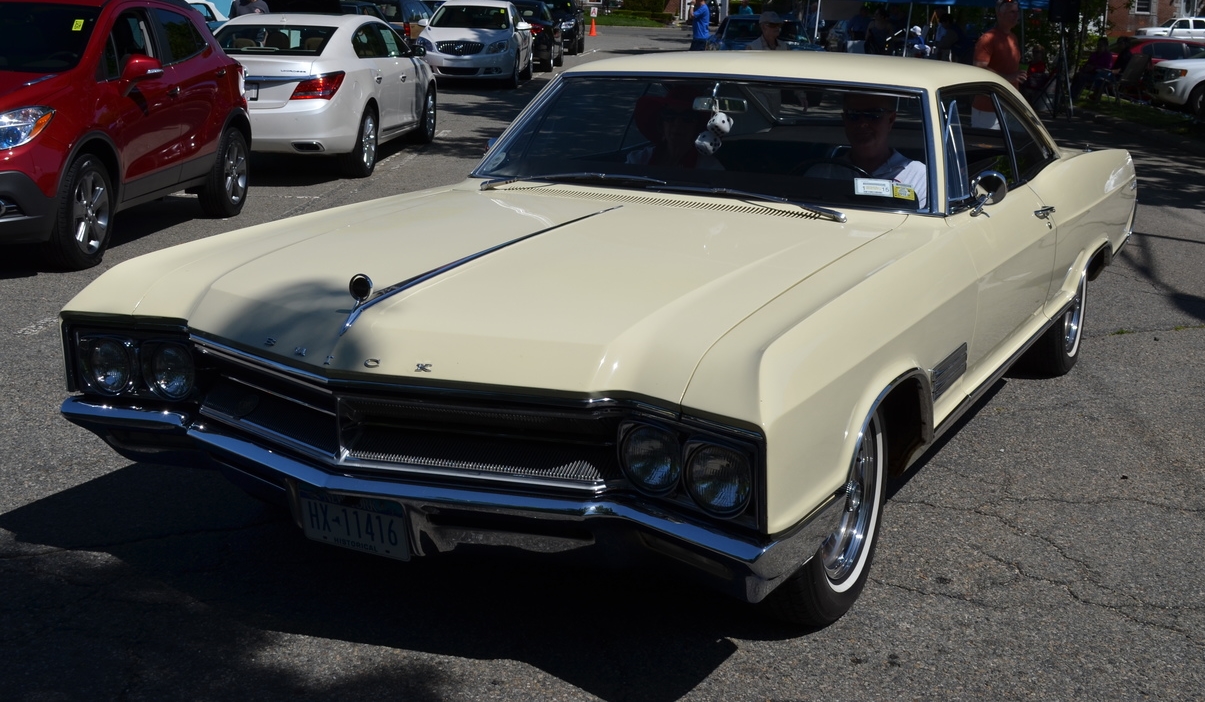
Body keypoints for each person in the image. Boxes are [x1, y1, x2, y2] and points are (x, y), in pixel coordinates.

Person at [802, 93, 928, 209]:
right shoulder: (821, 174)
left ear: (890, 120)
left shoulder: (919, 177)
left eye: (874, 115)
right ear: (844, 119)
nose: (862, 124)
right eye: (853, 115)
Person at [627, 94, 723, 170]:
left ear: (697, 126)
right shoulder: (639, 160)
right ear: (661, 123)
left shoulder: (709, 168)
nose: (677, 124)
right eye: (670, 115)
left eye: (687, 117)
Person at [972, 0, 1023, 127]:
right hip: (988, 106)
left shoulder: (1013, 37)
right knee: (986, 146)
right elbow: (978, 67)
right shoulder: (988, 38)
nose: (1016, 15)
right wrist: (1008, 78)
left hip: (1009, 104)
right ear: (1000, 14)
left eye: (1017, 12)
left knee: (1007, 146)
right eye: (1012, 12)